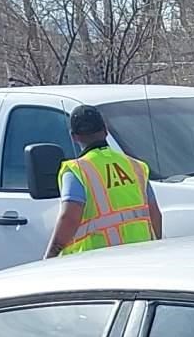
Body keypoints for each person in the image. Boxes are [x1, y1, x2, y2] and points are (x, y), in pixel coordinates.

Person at [46, 105, 163, 258]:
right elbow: (155, 215)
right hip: (140, 257)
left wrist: (50, 256)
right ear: (106, 130)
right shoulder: (136, 167)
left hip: (99, 262)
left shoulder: (77, 171)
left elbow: (69, 217)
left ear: (74, 136)